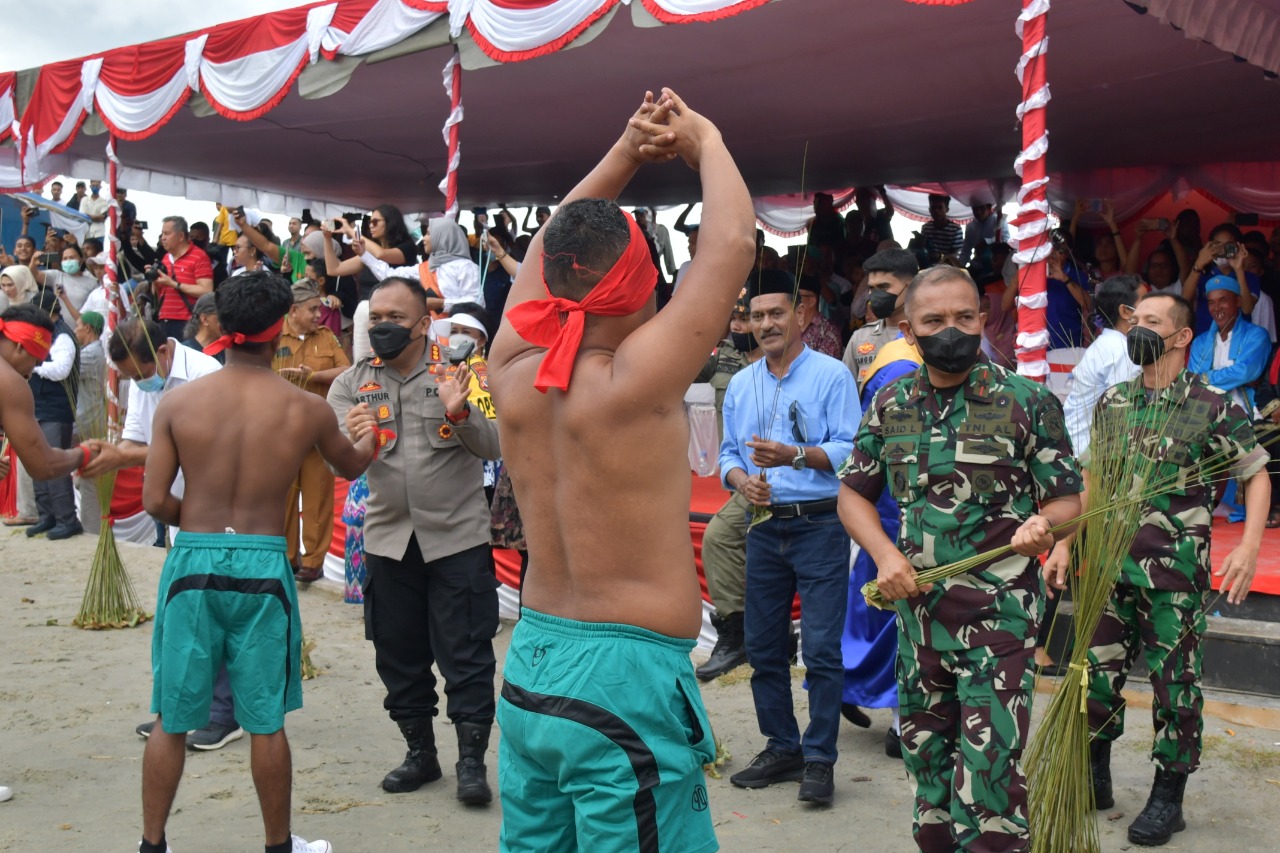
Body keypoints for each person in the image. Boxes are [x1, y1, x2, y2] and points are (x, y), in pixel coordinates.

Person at [487, 89, 754, 852]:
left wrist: (628, 149)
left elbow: (547, 249)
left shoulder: (510, 366)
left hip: (533, 663)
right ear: (639, 283)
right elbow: (731, 243)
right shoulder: (636, 379)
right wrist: (703, 133)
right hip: (622, 682)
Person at [838, 265, 1082, 852]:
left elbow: (1068, 499)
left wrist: (1044, 525)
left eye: (965, 317)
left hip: (998, 619)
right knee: (927, 766)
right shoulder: (891, 402)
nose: (953, 330)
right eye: (935, 321)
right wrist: (884, 554)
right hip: (918, 619)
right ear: (908, 329)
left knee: (991, 774)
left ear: (981, 319)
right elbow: (853, 493)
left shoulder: (1028, 401)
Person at [137, 270, 375, 853]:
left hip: (193, 558)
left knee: (172, 715)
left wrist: (201, 523)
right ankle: (276, 845)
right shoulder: (305, 410)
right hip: (264, 562)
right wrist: (371, 436)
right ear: (278, 332)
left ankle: (152, 844)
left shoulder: (179, 402)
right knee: (266, 718)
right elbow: (351, 467)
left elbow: (152, 502)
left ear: (222, 326)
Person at [1044, 292, 1269, 847]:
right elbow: (1090, 479)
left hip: (1174, 575)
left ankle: (1169, 796)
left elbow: (1256, 475)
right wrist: (1066, 544)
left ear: (1181, 335)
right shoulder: (1114, 401)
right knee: (1093, 676)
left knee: (1175, 689)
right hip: (1107, 569)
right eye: (1133, 321)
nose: (1137, 329)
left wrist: (1247, 548)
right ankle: (1094, 771)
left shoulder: (1212, 404)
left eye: (1151, 322)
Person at [326, 276, 500, 806]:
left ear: (424, 323)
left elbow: (496, 444)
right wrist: (352, 440)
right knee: (398, 655)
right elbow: (344, 464)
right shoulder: (351, 384)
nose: (382, 327)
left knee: (466, 656)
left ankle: (471, 763)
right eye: (375, 318)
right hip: (388, 542)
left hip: (457, 540)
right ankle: (419, 755)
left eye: (395, 319)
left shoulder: (465, 370)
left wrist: (460, 411)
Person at [719, 269, 859, 805]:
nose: (767, 324)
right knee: (763, 648)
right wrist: (740, 481)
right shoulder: (741, 382)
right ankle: (783, 746)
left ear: (800, 316)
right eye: (757, 316)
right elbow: (729, 453)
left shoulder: (829, 375)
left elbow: (851, 449)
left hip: (820, 523)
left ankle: (820, 758)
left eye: (777, 313)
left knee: (822, 650)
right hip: (763, 526)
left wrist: (795, 455)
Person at [0, 302, 103, 801]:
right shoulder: (9, 380)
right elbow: (41, 463)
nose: (32, 372)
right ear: (21, 345)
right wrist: (86, 454)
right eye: (31, 360)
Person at [837, 251, 923, 754]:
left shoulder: (931, 340)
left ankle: (899, 716)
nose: (876, 292)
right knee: (867, 596)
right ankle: (854, 686)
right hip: (875, 481)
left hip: (918, 485)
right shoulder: (862, 341)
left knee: (902, 602)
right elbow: (853, 403)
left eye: (887, 284)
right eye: (871, 284)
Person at [694, 294, 764, 681]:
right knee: (726, 540)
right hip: (739, 478)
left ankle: (762, 635)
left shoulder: (788, 364)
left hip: (787, 478)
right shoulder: (720, 356)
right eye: (734, 320)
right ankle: (738, 633)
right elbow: (680, 368)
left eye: (746, 320)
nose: (739, 327)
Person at [276, 282, 351, 582]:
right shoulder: (275, 334)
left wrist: (315, 376)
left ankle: (313, 561)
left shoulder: (327, 336)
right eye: (312, 309)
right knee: (282, 496)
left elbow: (347, 370)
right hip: (281, 432)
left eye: (319, 308)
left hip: (319, 432)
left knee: (318, 497)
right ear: (293, 310)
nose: (319, 314)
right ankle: (287, 557)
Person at [1063, 275, 1145, 457]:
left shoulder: (1108, 343)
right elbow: (1121, 415)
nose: (1152, 309)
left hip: (1078, 447)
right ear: (1125, 311)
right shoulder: (1122, 351)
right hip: (1089, 455)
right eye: (1145, 303)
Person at [25, 287, 82, 540]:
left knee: (54, 465)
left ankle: (66, 519)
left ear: (51, 313)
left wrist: (32, 364)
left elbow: (60, 370)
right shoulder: (44, 335)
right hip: (38, 408)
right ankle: (46, 516)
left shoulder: (63, 337)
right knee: (36, 463)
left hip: (56, 410)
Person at [842, 249, 918, 387]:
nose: (875, 295)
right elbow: (846, 392)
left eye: (883, 287)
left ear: (910, 286)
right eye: (871, 288)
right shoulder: (860, 338)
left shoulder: (926, 335)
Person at [146, 216, 215, 341]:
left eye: (167, 233)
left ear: (181, 236)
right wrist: (155, 281)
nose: (163, 238)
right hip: (164, 320)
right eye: (162, 234)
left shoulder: (199, 256)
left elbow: (207, 290)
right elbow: (159, 293)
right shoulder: (166, 258)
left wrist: (174, 284)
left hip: (186, 321)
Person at [919, 194, 963, 263]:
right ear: (929, 210)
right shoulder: (926, 228)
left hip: (948, 266)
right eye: (933, 208)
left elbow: (956, 254)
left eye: (940, 208)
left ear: (947, 209)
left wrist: (941, 259)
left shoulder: (956, 229)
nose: (936, 211)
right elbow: (922, 249)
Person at [181, 293, 224, 363]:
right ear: (205, 319)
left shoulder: (229, 353)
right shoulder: (183, 353)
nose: (228, 322)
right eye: (222, 317)